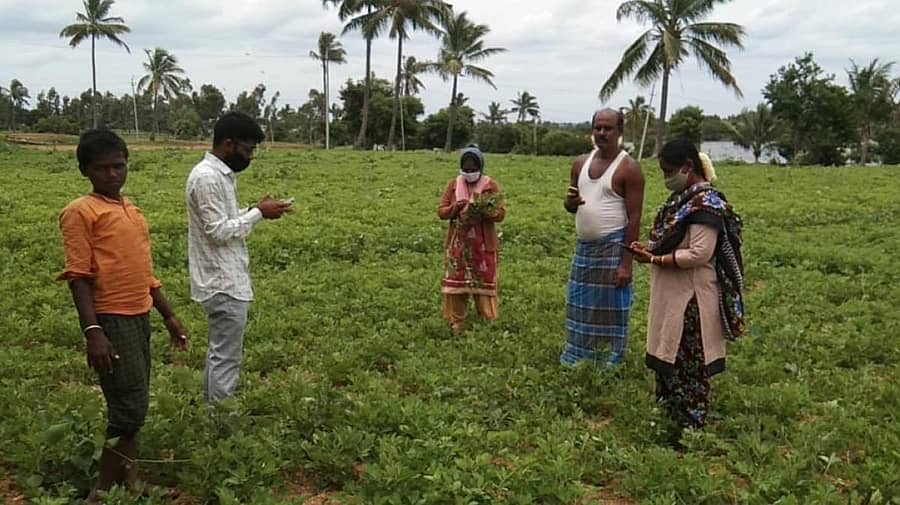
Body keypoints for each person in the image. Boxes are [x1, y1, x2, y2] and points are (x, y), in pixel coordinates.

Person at [58, 129, 189, 499]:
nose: (114, 174)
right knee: (127, 411)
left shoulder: (130, 209)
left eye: (119, 166)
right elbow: (78, 277)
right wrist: (93, 330)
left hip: (139, 315)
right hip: (111, 319)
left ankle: (129, 484)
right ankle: (102, 491)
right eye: (103, 168)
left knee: (134, 403)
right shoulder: (81, 212)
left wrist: (168, 315)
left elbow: (144, 272)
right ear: (85, 170)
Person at [629, 138, 745, 438]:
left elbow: (699, 254)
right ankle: (669, 414)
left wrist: (655, 257)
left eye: (669, 171)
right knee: (668, 351)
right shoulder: (681, 201)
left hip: (692, 296)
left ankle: (691, 424)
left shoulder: (706, 204)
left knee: (689, 358)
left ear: (688, 167)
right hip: (672, 291)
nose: (667, 177)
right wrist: (651, 250)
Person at [185, 111, 292, 403]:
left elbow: (225, 221)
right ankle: (219, 420)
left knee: (219, 353)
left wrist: (258, 210)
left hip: (224, 279)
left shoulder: (219, 176)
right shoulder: (207, 178)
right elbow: (218, 231)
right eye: (248, 149)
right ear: (228, 144)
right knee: (226, 358)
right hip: (222, 282)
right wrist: (259, 213)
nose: (251, 156)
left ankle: (213, 413)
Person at [560, 108, 645, 366]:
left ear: (620, 132)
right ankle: (577, 355)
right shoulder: (580, 164)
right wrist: (570, 202)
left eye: (608, 128)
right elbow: (571, 205)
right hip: (584, 249)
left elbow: (634, 218)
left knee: (610, 309)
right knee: (580, 304)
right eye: (598, 127)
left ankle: (609, 360)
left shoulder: (629, 169)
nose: (602, 133)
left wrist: (626, 263)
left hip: (613, 248)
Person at [437, 145, 506, 333]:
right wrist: (455, 208)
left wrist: (484, 209)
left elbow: (500, 213)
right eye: (465, 169)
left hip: (482, 245)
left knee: (483, 283)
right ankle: (456, 321)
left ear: (480, 168)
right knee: (457, 284)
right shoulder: (453, 185)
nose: (469, 173)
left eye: (473, 169)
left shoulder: (490, 185)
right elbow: (441, 211)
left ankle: (488, 321)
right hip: (458, 245)